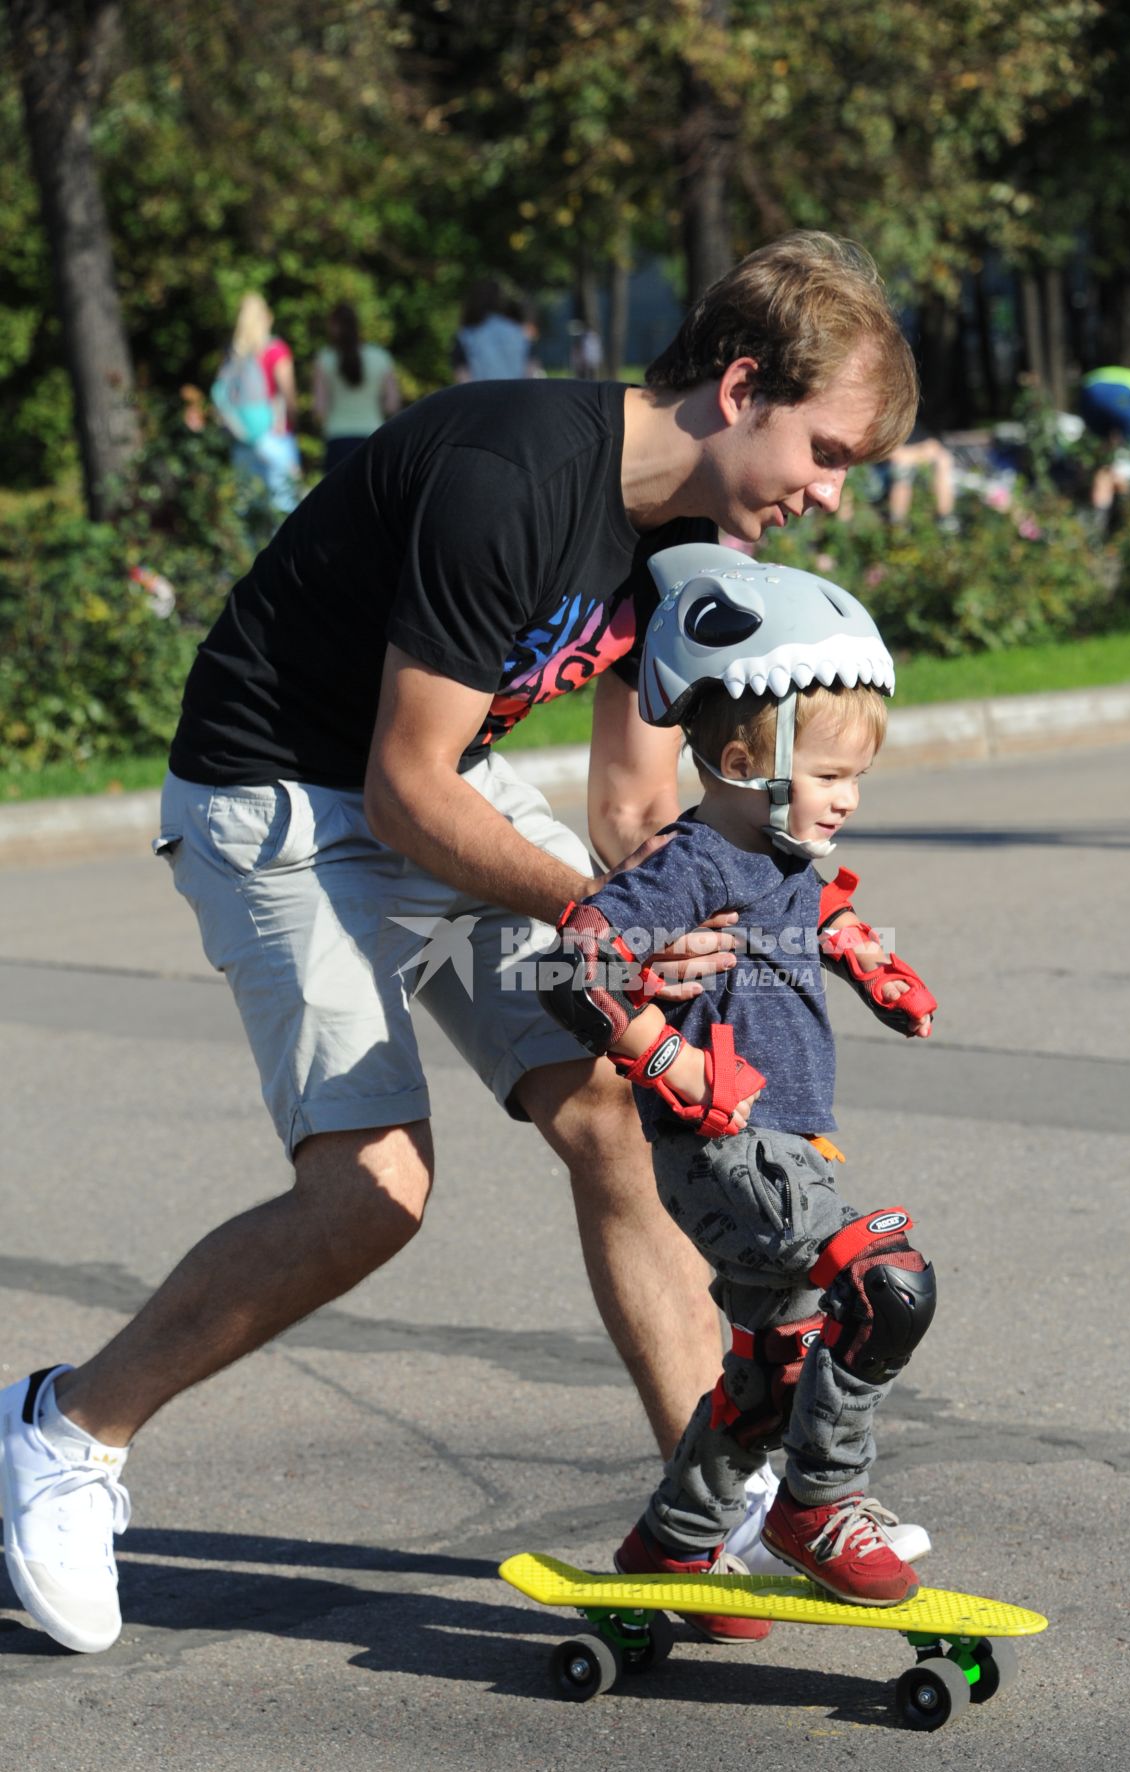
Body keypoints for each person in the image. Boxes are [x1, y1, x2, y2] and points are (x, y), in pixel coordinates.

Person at [0, 230, 920, 1657]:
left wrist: (716, 934)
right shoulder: (511, 479)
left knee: (621, 1099)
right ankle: (65, 1430)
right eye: (829, 448)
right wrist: (594, 923)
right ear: (742, 385)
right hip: (280, 797)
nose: (830, 488)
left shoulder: (692, 542)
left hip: (428, 786)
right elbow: (401, 788)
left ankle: (715, 1491)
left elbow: (631, 804)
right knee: (372, 1190)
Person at [536, 545, 938, 1637]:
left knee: (769, 1375)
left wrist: (867, 959)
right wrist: (666, 1058)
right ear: (741, 758)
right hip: (725, 1149)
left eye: (857, 778)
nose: (850, 800)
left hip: (784, 1143)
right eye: (833, 777)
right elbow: (577, 958)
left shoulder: (773, 854)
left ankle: (673, 1541)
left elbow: (806, 915)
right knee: (888, 1287)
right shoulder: (694, 864)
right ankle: (818, 1505)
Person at [211, 293, 301, 518]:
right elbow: (288, 394)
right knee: (286, 511)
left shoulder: (235, 353)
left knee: (251, 514)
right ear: (266, 318)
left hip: (242, 440)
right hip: (273, 435)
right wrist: (291, 422)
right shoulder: (275, 350)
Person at [312, 304, 401, 474]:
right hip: (373, 436)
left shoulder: (324, 359)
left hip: (337, 439)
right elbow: (392, 404)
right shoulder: (380, 357)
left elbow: (319, 409)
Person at [1077, 362, 1130, 527]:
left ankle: (1098, 516)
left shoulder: (1129, 377)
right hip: (1119, 394)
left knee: (1105, 460)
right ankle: (1129, 510)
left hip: (1087, 390)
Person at [452, 280, 535, 382]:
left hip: (482, 394)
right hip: (516, 394)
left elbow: (463, 376)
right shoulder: (518, 331)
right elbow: (531, 369)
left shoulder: (467, 335)